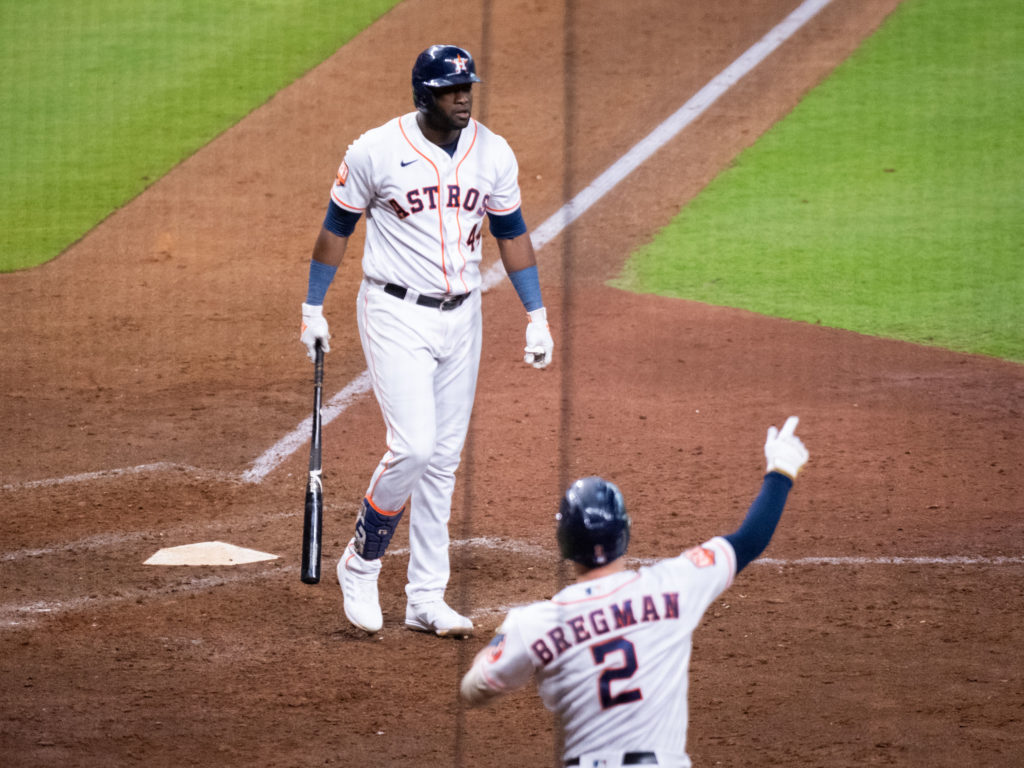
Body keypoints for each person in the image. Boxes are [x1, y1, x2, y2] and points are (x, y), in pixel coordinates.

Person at [298, 44, 554, 638]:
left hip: (463, 318)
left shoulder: (493, 152)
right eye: (450, 89)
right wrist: (312, 307)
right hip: (394, 313)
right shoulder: (375, 151)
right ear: (424, 96)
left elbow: (512, 233)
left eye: (467, 87)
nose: (463, 97)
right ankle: (361, 561)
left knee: (442, 462)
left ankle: (425, 599)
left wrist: (536, 314)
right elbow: (337, 227)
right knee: (412, 446)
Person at [460, 417, 810, 767]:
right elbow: (749, 540)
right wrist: (781, 470)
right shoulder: (675, 584)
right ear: (623, 533)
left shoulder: (536, 623)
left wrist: (506, 637)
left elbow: (476, 688)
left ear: (564, 541)